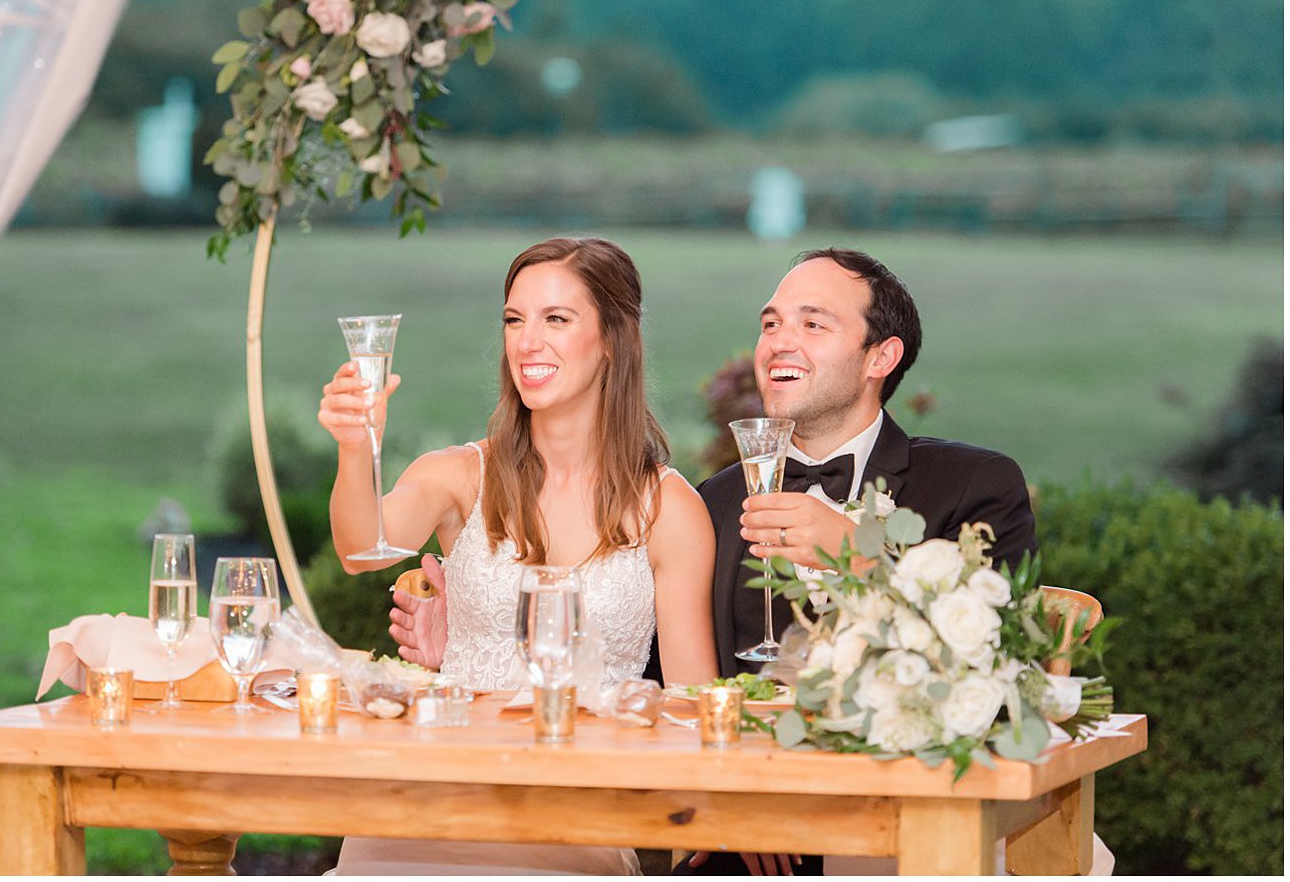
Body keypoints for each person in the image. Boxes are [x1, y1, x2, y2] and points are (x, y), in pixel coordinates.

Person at [393, 247, 1041, 876]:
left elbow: (1002, 661)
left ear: (882, 356)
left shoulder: (972, 483)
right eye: (770, 323)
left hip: (915, 811)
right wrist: (484, 637)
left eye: (812, 324)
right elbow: (650, 675)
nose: (780, 341)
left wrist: (861, 556)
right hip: (748, 839)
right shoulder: (716, 500)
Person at [319, 236, 719, 876]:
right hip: (420, 811)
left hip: (573, 826)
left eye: (556, 319)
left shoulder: (668, 509)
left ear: (613, 338)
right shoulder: (459, 476)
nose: (527, 342)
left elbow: (693, 707)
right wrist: (353, 446)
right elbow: (363, 550)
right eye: (514, 319)